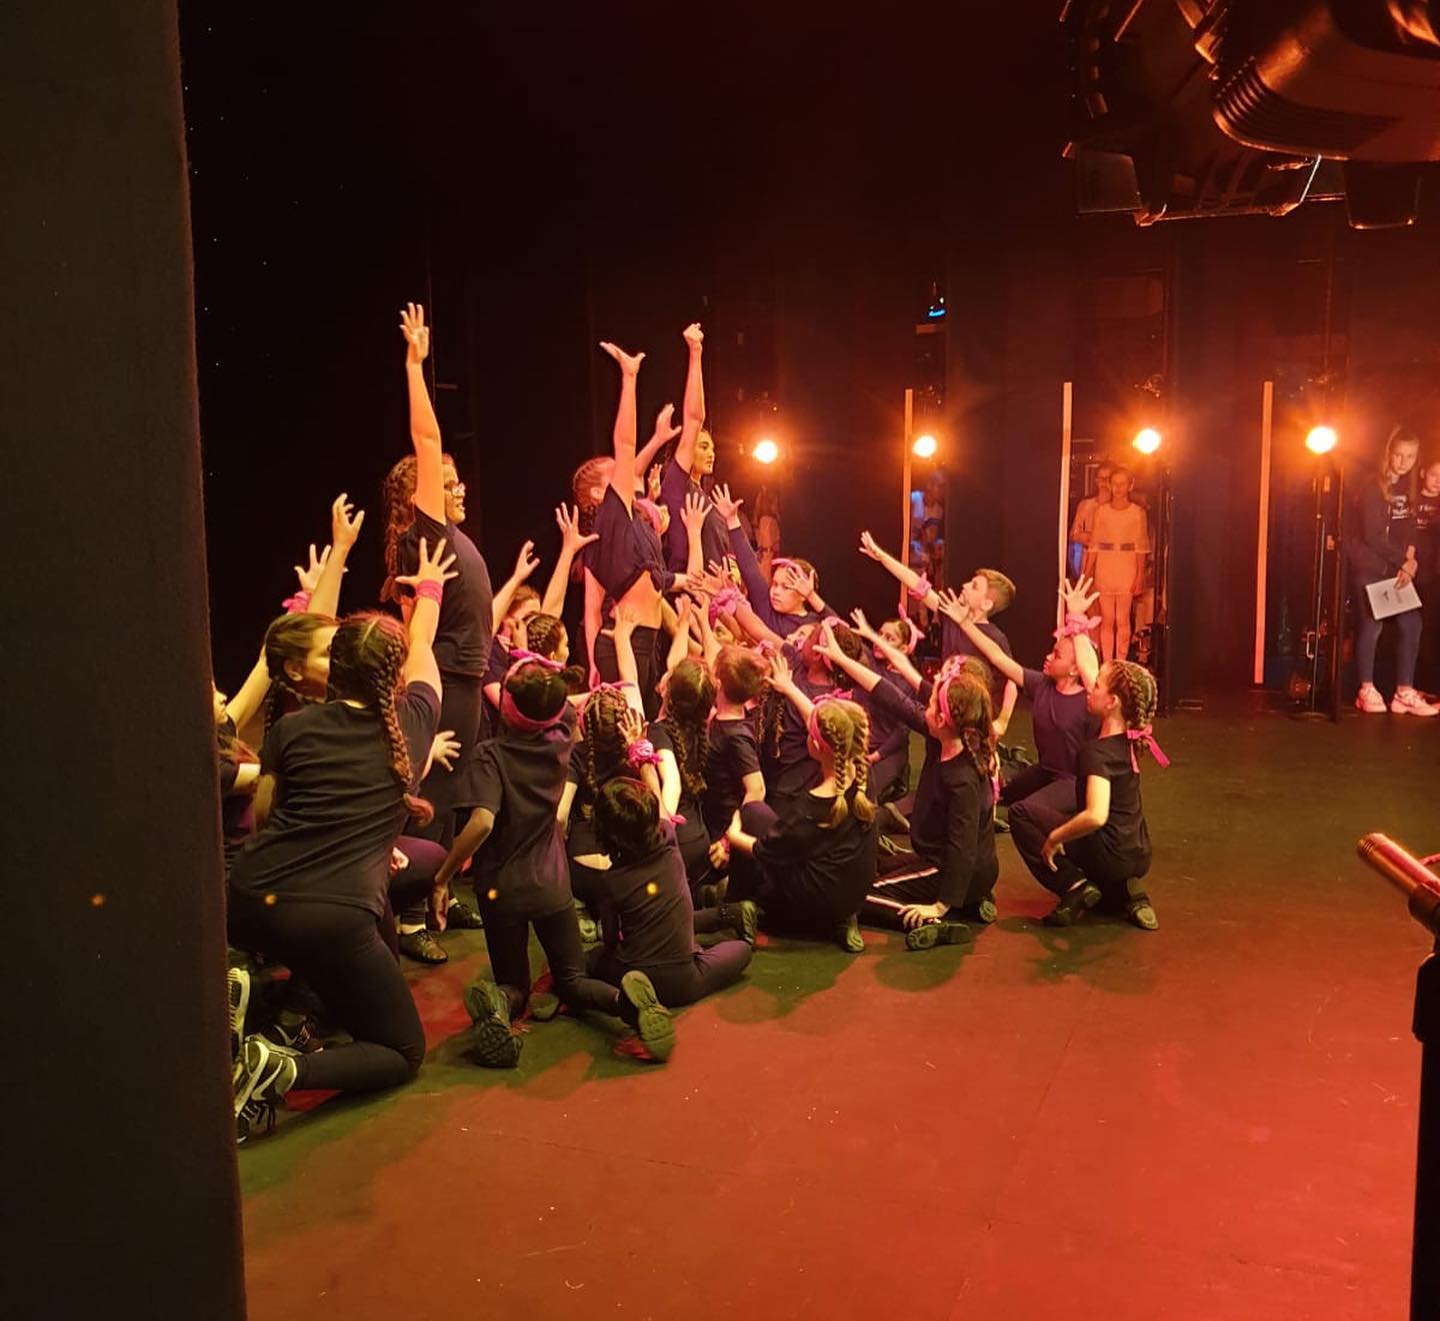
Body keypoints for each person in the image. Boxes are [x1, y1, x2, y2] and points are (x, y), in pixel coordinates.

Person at [227, 536, 452, 1140]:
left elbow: (269, 812)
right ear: (392, 675)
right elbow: (424, 648)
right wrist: (428, 591)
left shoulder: (293, 727)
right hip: (330, 919)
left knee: (364, 937)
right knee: (401, 1050)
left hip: (249, 901)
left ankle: (263, 998)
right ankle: (280, 1068)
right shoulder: (412, 725)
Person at [430, 657, 678, 1066]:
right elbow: (565, 705)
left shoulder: (491, 756)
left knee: (515, 985)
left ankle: (501, 1005)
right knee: (573, 979)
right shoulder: (562, 737)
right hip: (552, 882)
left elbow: (482, 823)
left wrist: (442, 877)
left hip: (502, 890)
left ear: (507, 708)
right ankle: (629, 1007)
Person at [381, 304, 496, 847]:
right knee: (431, 796)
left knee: (447, 796)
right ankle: (412, 884)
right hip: (446, 680)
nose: (459, 487)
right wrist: (414, 366)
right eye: (447, 483)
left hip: (464, 679)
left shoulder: (449, 540)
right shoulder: (429, 535)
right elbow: (427, 441)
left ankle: (433, 883)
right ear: (419, 496)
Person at [816, 633, 998, 949]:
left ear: (943, 718)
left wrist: (941, 905)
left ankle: (935, 921)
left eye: (931, 703)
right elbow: (890, 695)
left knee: (857, 896)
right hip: (941, 860)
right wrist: (843, 659)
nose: (925, 702)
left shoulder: (962, 779)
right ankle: (970, 900)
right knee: (871, 868)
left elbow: (963, 847)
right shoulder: (951, 736)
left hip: (951, 869)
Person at [938, 577, 1104, 894]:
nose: (1048, 656)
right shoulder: (1041, 684)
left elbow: (1090, 670)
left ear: (1074, 670)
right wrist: (964, 623)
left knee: (1023, 813)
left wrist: (1077, 620)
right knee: (1002, 793)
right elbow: (999, 659)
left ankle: (1072, 876)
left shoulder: (1089, 701)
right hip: (1047, 770)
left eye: (1057, 654)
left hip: (1072, 780)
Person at [573, 342, 703, 700]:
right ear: (598, 494)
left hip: (647, 639)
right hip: (621, 641)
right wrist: (629, 379)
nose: (626, 471)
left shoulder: (628, 525)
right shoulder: (610, 520)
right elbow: (625, 444)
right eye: (615, 472)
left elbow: (594, 604)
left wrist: (659, 439)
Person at [582, 778, 754, 1038]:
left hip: (635, 973)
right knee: (741, 950)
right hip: (687, 981)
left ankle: (622, 1000)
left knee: (590, 960)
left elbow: (610, 941)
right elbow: (661, 813)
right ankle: (728, 915)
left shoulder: (609, 883)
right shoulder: (669, 839)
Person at [722, 693, 878, 953]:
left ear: (817, 745)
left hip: (813, 907)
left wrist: (733, 834)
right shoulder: (863, 777)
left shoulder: (814, 805)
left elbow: (764, 850)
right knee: (767, 818)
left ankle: (732, 907)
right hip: (851, 899)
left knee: (752, 812)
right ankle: (839, 921)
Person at [1040, 629, 1166, 931]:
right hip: (1139, 852)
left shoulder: (1096, 752)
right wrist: (1077, 627)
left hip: (1110, 856)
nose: (1089, 687)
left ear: (1111, 702)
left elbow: (1096, 815)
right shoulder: (1130, 738)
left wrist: (1055, 838)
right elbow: (1088, 668)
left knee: (1026, 817)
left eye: (1096, 685)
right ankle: (1127, 892)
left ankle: (1076, 886)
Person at [856, 529, 1018, 731]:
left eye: (974, 586)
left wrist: (1002, 722)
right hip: (943, 708)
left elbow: (1012, 681)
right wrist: (881, 556)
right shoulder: (950, 615)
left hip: (971, 721)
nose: (965, 585)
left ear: (986, 604)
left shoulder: (994, 637)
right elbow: (915, 582)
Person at [1348, 427, 1436, 716]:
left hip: (1396, 568)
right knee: (1371, 624)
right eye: (1398, 455)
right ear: (1388, 454)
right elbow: (1373, 535)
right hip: (1371, 565)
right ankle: (1366, 689)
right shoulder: (1373, 486)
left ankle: (1403, 692)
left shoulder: (1408, 487)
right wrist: (1402, 562)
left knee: (1411, 622)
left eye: (1410, 456)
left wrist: (1410, 560)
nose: (1403, 462)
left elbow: (1409, 527)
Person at [659, 323, 732, 574]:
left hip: (716, 589)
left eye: (712, 448)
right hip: (689, 588)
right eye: (703, 446)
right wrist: (695, 352)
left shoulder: (704, 495)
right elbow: (694, 419)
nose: (711, 453)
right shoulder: (676, 486)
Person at [1083, 464, 1148, 665]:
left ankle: (1120, 662)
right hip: (1105, 564)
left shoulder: (1137, 513)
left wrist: (1140, 576)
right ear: (1109, 486)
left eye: (1122, 484)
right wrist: (1086, 574)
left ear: (1130, 485)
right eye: (1115, 484)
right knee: (1107, 618)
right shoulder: (1102, 511)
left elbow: (1141, 547)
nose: (1118, 488)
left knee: (1122, 618)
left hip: (1126, 565)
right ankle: (1107, 663)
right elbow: (1094, 545)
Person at [1068, 460, 1112, 579]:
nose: (1104, 482)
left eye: (1108, 478)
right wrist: (1085, 537)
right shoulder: (1086, 505)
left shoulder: (1118, 508)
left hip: (1110, 561)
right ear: (1096, 480)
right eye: (1101, 478)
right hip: (1087, 561)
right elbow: (1073, 534)